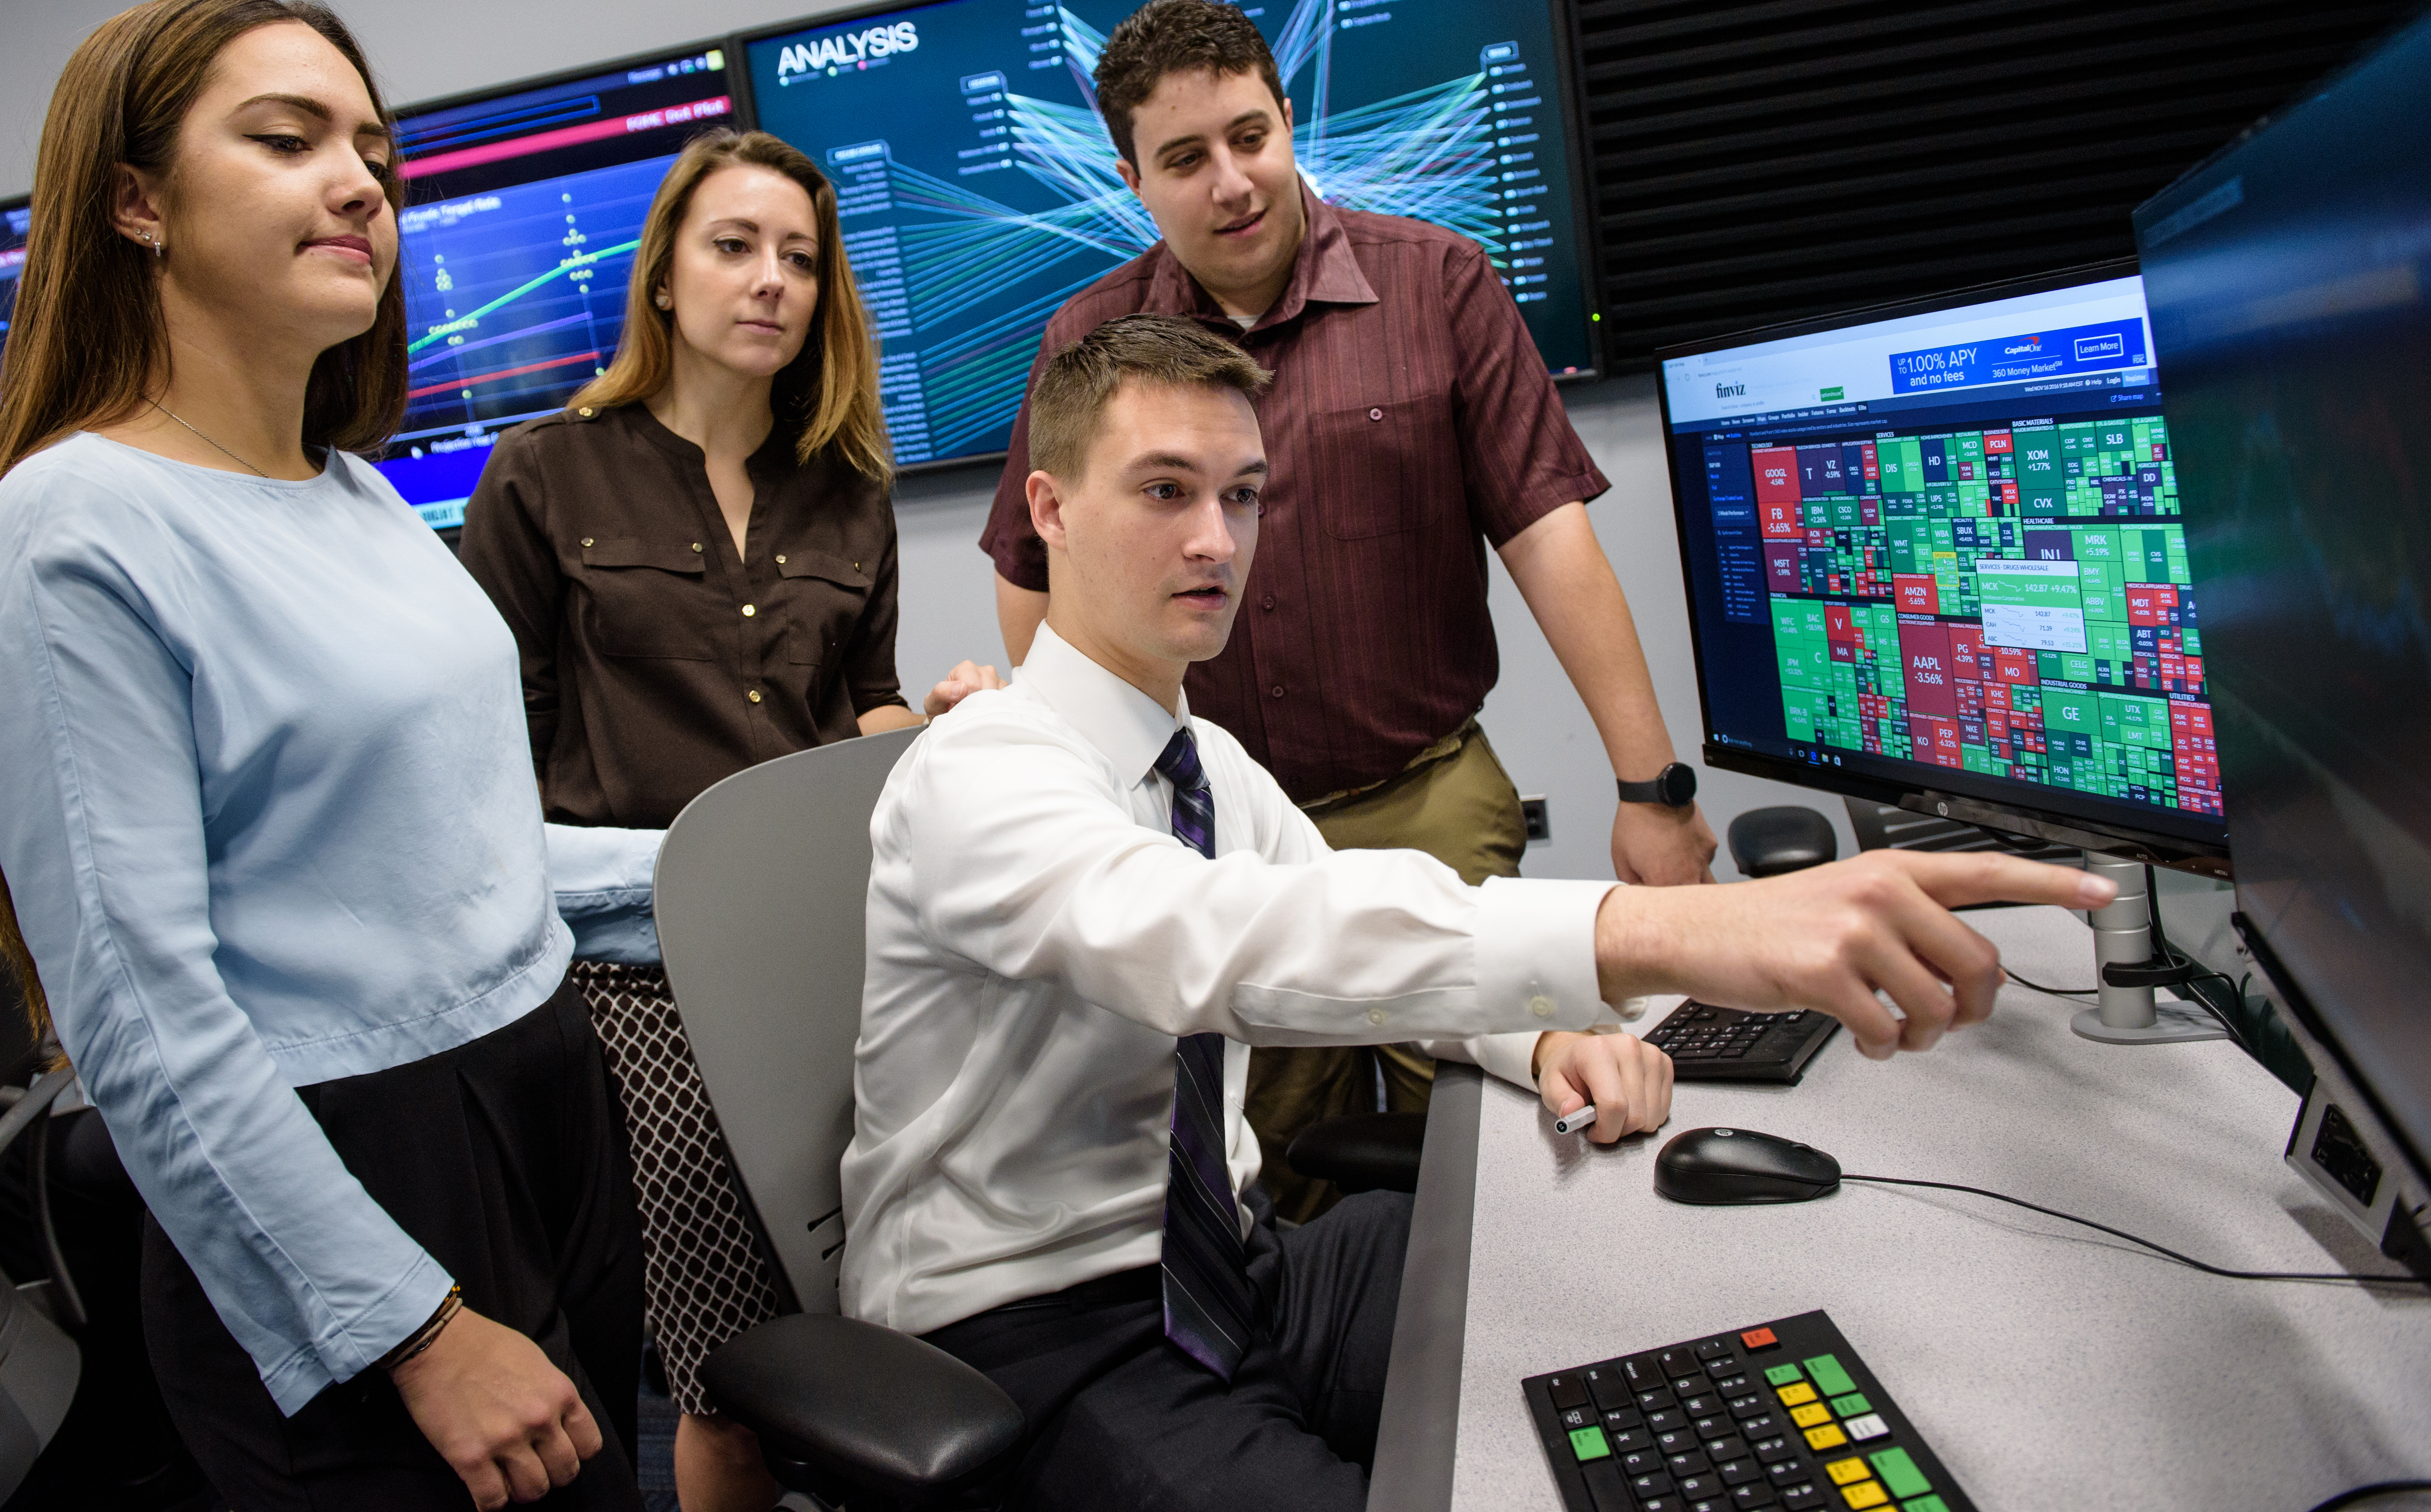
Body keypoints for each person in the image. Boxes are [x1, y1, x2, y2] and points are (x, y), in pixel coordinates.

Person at [851, 312, 2112, 1510]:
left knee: (1630, 1298)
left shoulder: (1208, 766)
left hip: (1241, 1270)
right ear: (1051, 509)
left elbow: (1367, 927)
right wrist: (1679, 930)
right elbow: (1223, 947)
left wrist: (1547, 1037)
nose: (1218, 542)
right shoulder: (980, 770)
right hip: (1037, 1336)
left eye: (1243, 496)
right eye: (1167, 490)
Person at [0, 0, 644, 1511]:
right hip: (353, 1170)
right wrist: (409, 1325)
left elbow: (467, 857)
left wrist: (819, 849)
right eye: (287, 140)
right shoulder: (70, 536)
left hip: (539, 1099)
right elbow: (138, 1015)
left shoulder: (358, 497)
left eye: (375, 155)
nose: (360, 185)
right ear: (135, 203)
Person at [977, 0, 1723, 1219]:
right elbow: (1033, 575)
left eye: (1252, 136)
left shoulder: (1437, 284)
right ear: (1133, 181)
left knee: (1508, 1155)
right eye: (1185, 159)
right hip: (1216, 846)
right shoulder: (1095, 341)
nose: (1231, 181)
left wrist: (1652, 791)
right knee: (1266, 1184)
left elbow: (1552, 542)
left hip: (1427, 801)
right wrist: (1104, 799)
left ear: (1284, 121)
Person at [459, 127, 999, 1512]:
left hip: (829, 959)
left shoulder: (850, 489)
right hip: (644, 990)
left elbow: (858, 710)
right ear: (663, 278)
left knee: (877, 1319)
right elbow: (490, 767)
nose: (771, 281)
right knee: (731, 1372)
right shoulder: (541, 477)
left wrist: (939, 725)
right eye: (735, 247)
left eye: (801, 260)